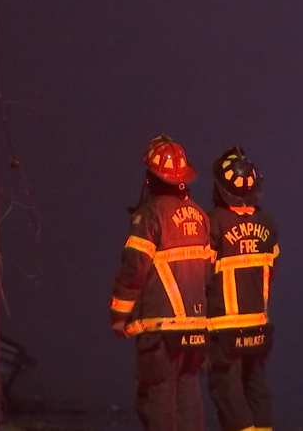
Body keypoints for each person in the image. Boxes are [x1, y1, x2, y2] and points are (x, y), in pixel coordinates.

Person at [109, 134, 213, 431]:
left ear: (151, 177)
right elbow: (206, 272)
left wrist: (119, 316)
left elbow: (134, 270)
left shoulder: (149, 215)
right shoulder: (200, 215)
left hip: (160, 330)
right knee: (188, 399)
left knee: (157, 401)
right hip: (194, 329)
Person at [205, 146, 279, 431]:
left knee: (227, 392)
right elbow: (272, 270)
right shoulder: (267, 223)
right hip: (258, 325)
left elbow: (203, 275)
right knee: (256, 385)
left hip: (224, 328)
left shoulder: (213, 224)